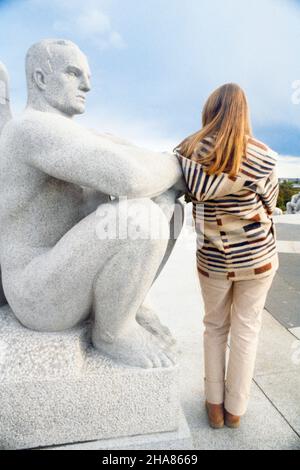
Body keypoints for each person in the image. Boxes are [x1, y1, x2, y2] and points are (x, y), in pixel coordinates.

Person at [0, 39, 186, 369]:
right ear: (41, 79)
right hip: (37, 293)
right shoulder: (30, 129)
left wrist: (164, 176)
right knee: (138, 217)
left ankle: (128, 305)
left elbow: (133, 159)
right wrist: (177, 164)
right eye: (74, 73)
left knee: (165, 204)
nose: (88, 85)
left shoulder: (72, 133)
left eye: (87, 75)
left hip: (63, 272)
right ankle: (113, 332)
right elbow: (129, 177)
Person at [175, 83, 279, 428]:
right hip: (256, 258)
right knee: (247, 330)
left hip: (213, 260)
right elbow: (270, 205)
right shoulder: (263, 156)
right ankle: (235, 410)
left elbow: (186, 191)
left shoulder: (188, 151)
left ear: (210, 111)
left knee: (214, 328)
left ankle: (213, 406)